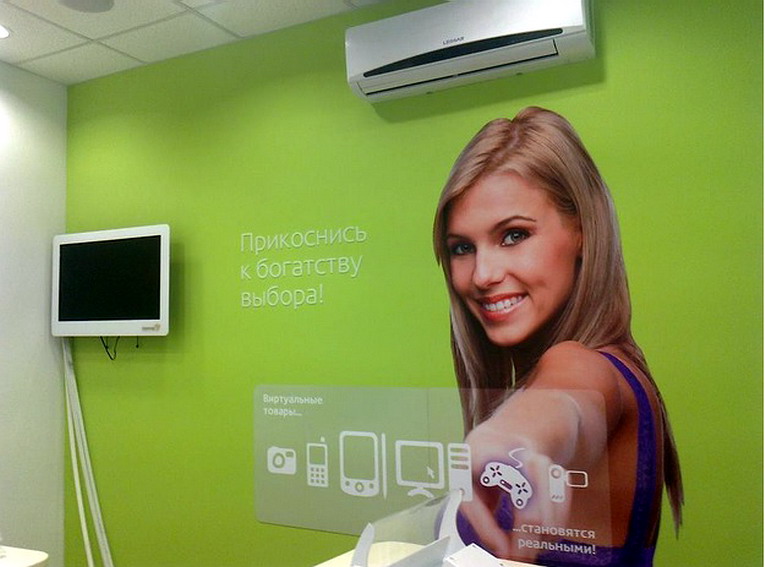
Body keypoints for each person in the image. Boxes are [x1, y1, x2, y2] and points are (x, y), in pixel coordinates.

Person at [432, 107, 683, 566]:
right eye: (462, 248)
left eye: (513, 235)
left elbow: (566, 401)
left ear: (582, 231)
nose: (482, 275)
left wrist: (517, 437)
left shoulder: (584, 366)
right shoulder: (610, 368)